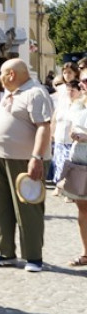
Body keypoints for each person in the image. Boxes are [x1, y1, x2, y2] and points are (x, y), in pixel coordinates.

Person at [0, 59, 53, 272]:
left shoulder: (36, 93)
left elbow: (43, 127)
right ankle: (6, 252)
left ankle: (33, 256)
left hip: (24, 159)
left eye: (2, 73)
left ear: (11, 74)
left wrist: (37, 157)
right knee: (0, 206)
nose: (0, 78)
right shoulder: (10, 94)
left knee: (28, 207)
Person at [61, 67, 87, 266]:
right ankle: (86, 253)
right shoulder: (78, 105)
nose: (82, 85)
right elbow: (72, 127)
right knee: (82, 209)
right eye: (82, 81)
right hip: (79, 162)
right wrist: (74, 134)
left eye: (86, 81)